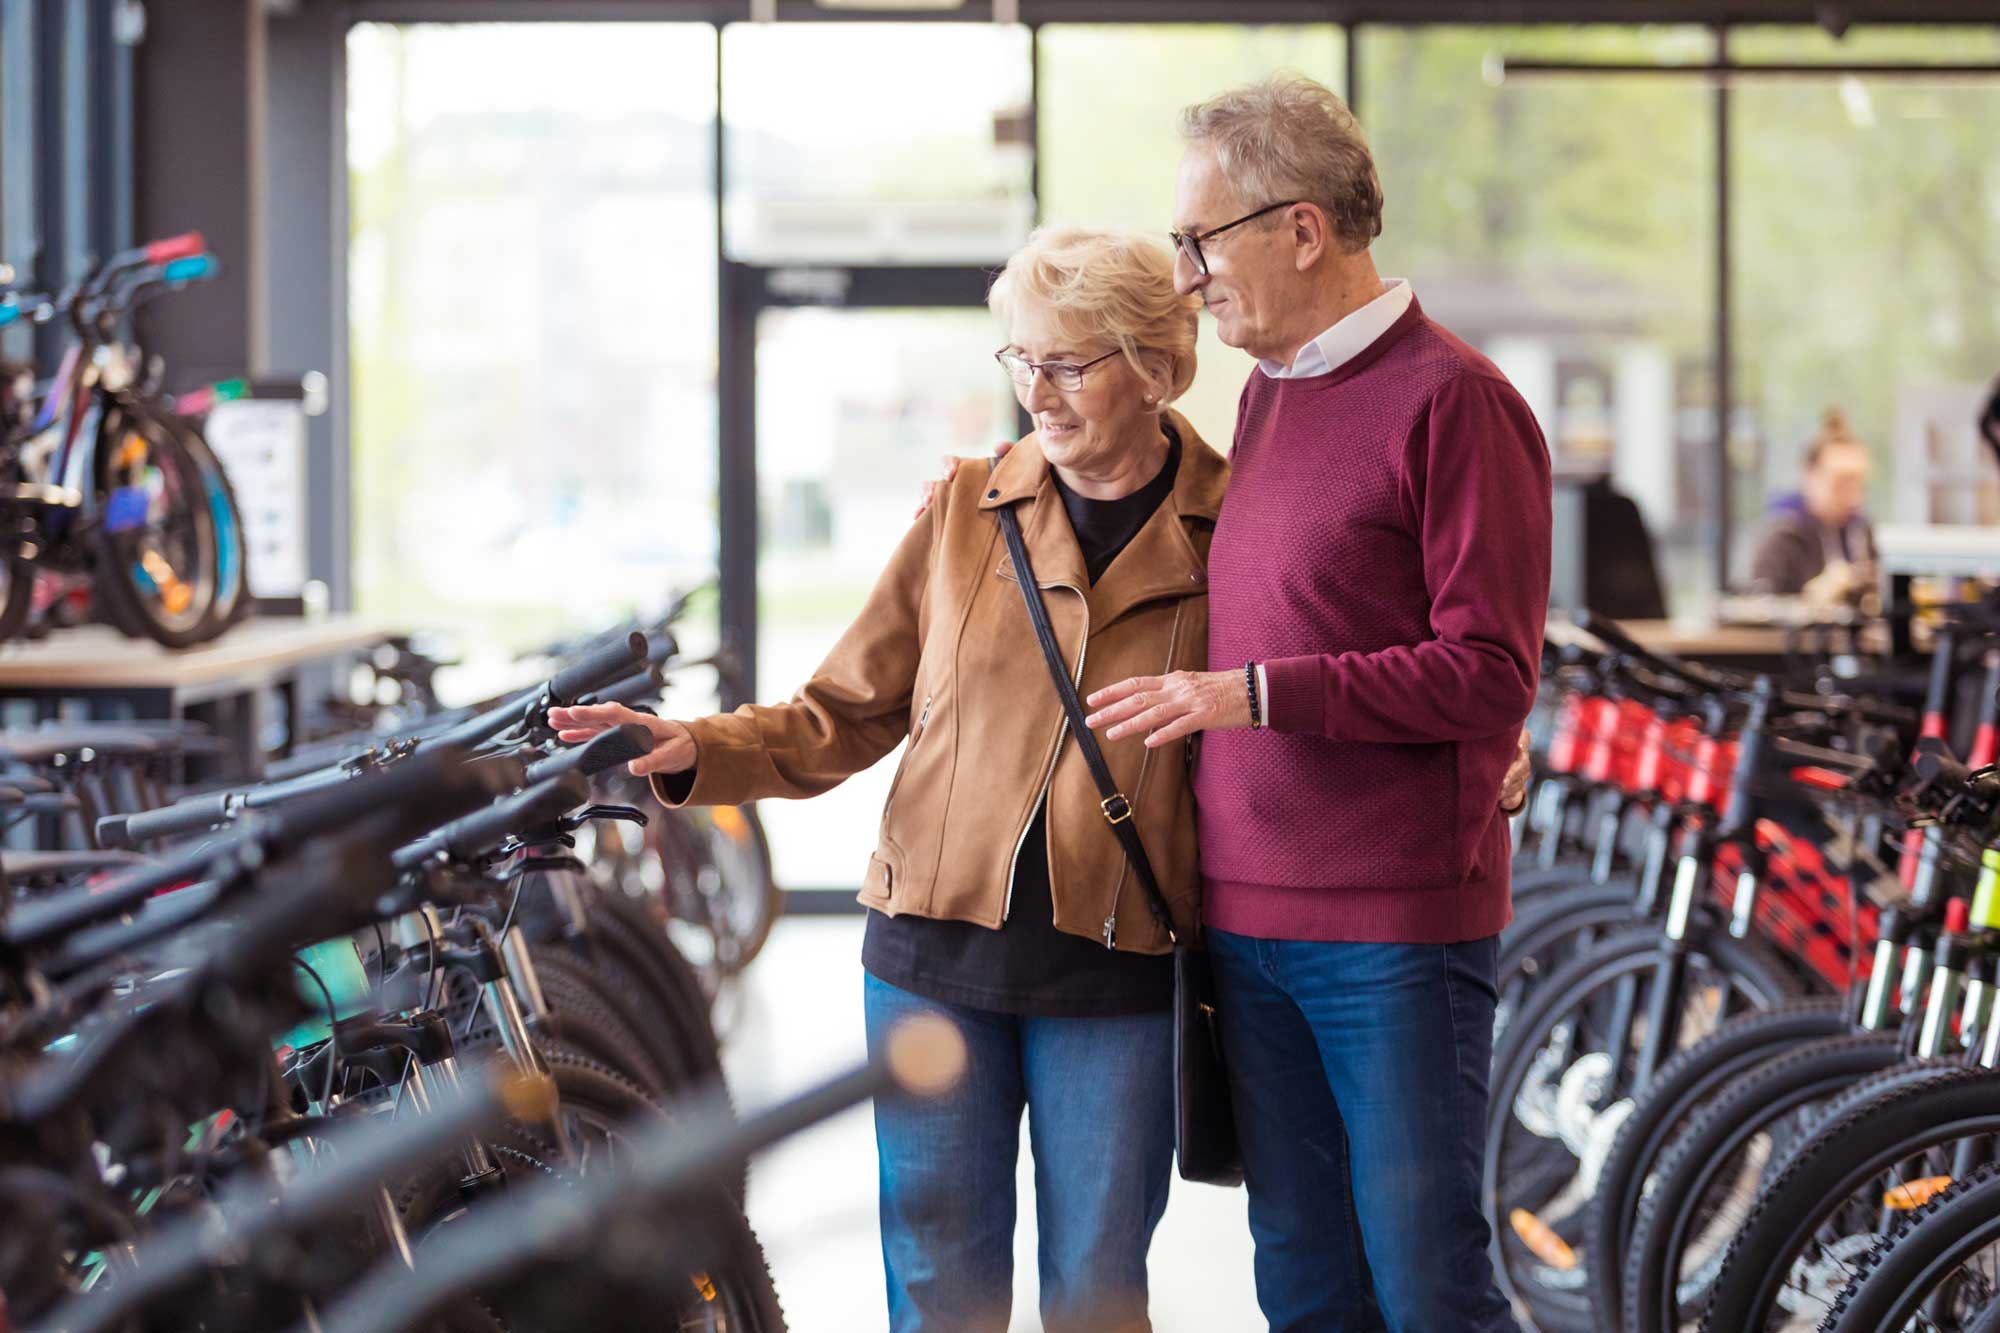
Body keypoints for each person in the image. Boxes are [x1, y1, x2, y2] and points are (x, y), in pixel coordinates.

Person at [552, 226, 1223, 1333]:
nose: (1038, 395)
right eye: (1018, 361)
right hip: (930, 956)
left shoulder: (1233, 529)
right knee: (935, 1286)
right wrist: (690, 748)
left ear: (1152, 364)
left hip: (1120, 965)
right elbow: (842, 712)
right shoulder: (965, 509)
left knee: (1098, 1294)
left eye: (1068, 363)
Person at [1084, 76, 1549, 1331]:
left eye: (1201, 240)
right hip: (1246, 922)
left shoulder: (1457, 403)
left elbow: (1490, 673)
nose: (1186, 277)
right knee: (1300, 1275)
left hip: (1392, 930)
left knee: (1426, 1283)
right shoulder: (1267, 393)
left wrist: (1254, 695)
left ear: (1301, 229)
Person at [1749, 407, 1876, 603]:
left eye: (1859, 484)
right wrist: (1811, 598)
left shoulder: (1862, 532)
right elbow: (1759, 610)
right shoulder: (1783, 537)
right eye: (1841, 483)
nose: (1853, 497)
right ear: (1809, 476)